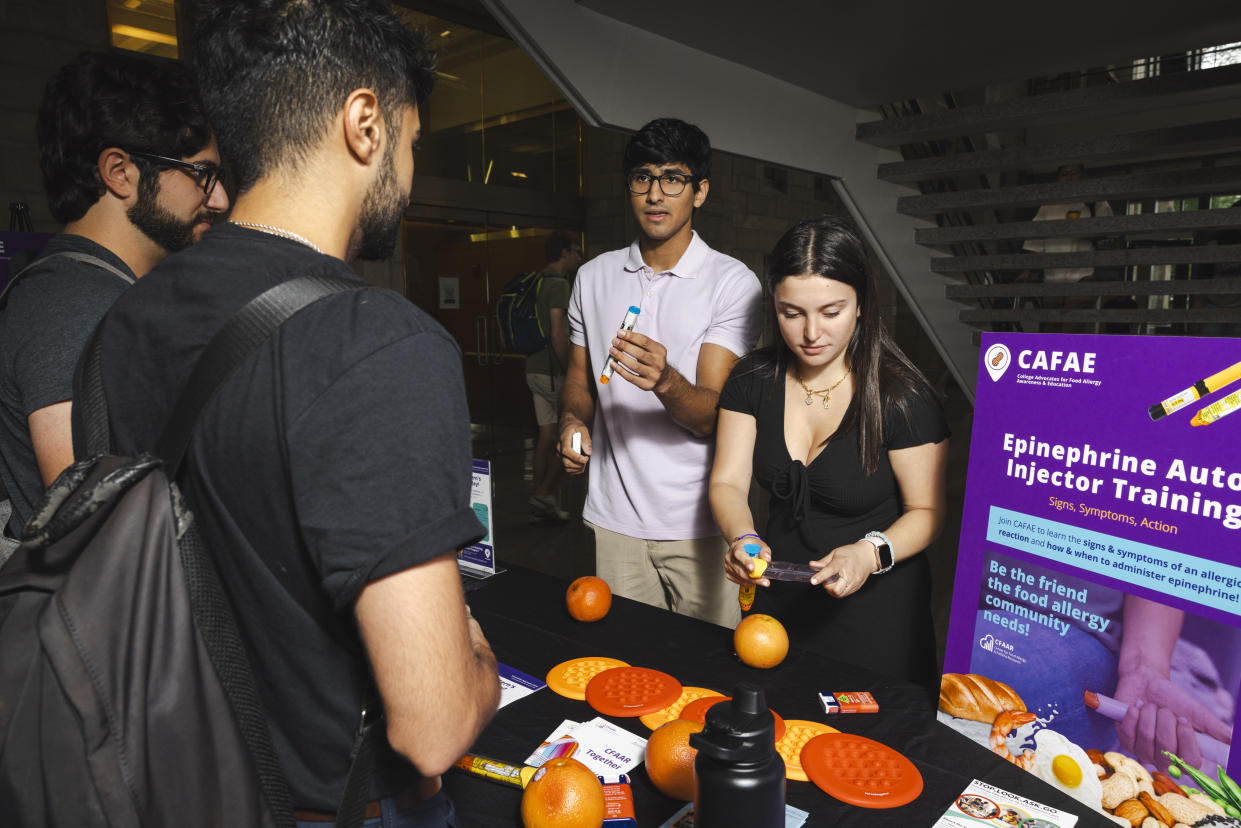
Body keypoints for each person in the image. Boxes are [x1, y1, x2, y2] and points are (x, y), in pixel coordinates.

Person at [81, 1, 499, 823]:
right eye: (412, 144)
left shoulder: (124, 320)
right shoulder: (377, 342)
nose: (407, 179)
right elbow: (433, 726)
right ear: (366, 123)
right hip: (326, 803)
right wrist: (475, 658)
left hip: (167, 782)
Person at [0, 50, 228, 547]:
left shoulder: (89, 293)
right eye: (201, 174)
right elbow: (100, 535)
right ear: (119, 172)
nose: (219, 198)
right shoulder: (77, 307)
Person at [710, 215, 949, 689]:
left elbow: (928, 512)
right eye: (791, 313)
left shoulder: (901, 397)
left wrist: (870, 553)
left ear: (861, 304)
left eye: (831, 311)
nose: (811, 333)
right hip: (781, 597)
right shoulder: (751, 379)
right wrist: (742, 538)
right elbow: (727, 482)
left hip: (877, 611)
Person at [559, 118, 762, 627]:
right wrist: (570, 422)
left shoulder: (731, 283)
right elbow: (582, 381)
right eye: (642, 177)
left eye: (673, 178)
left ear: (700, 191)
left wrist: (666, 380)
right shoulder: (592, 276)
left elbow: (712, 415)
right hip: (613, 520)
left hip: (697, 525)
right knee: (626, 671)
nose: (655, 193)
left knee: (708, 676)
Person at [526, 230, 581, 524]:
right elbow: (558, 333)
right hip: (552, 370)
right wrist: (569, 369)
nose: (578, 257)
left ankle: (540, 496)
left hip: (532, 368)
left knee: (546, 435)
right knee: (571, 436)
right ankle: (546, 492)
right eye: (575, 251)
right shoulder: (558, 285)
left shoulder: (535, 281)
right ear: (563, 253)